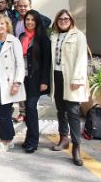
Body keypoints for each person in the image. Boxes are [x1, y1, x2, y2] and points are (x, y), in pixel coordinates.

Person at [50, 9, 88, 166]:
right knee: (60, 109)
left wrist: (77, 79)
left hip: (71, 78)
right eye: (60, 19)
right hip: (57, 77)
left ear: (71, 20)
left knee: (72, 111)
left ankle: (76, 147)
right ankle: (63, 138)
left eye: (66, 19)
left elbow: (81, 58)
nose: (63, 21)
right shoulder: (53, 36)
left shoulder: (78, 36)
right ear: (57, 21)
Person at [0, 15, 26, 154]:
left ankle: (4, 141)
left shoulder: (14, 41)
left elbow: (20, 64)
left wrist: (17, 83)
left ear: (7, 25)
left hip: (8, 83)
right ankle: (9, 140)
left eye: (2, 24)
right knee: (1, 112)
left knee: (4, 113)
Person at [19, 10, 51, 153]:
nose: (29, 22)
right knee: (27, 109)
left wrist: (44, 80)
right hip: (23, 78)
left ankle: (33, 141)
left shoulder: (42, 38)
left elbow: (46, 62)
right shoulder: (21, 36)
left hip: (35, 79)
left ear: (37, 22)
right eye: (27, 19)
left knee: (31, 108)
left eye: (33, 20)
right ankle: (28, 138)